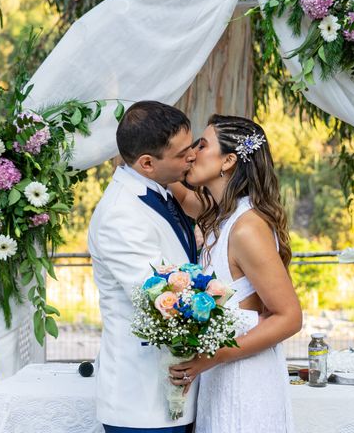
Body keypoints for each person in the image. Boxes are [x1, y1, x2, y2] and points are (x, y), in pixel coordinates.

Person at [169, 114, 302, 433]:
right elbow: (185, 197)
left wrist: (209, 358)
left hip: (245, 381)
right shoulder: (223, 216)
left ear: (228, 160)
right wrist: (154, 156)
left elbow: (290, 317)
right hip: (222, 375)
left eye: (202, 145)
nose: (193, 153)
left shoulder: (247, 228)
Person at [88, 101, 198, 433]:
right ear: (147, 163)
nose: (191, 157)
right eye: (182, 154)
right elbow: (160, 301)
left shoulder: (159, 193)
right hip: (143, 398)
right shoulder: (121, 214)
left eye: (192, 147)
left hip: (170, 390)